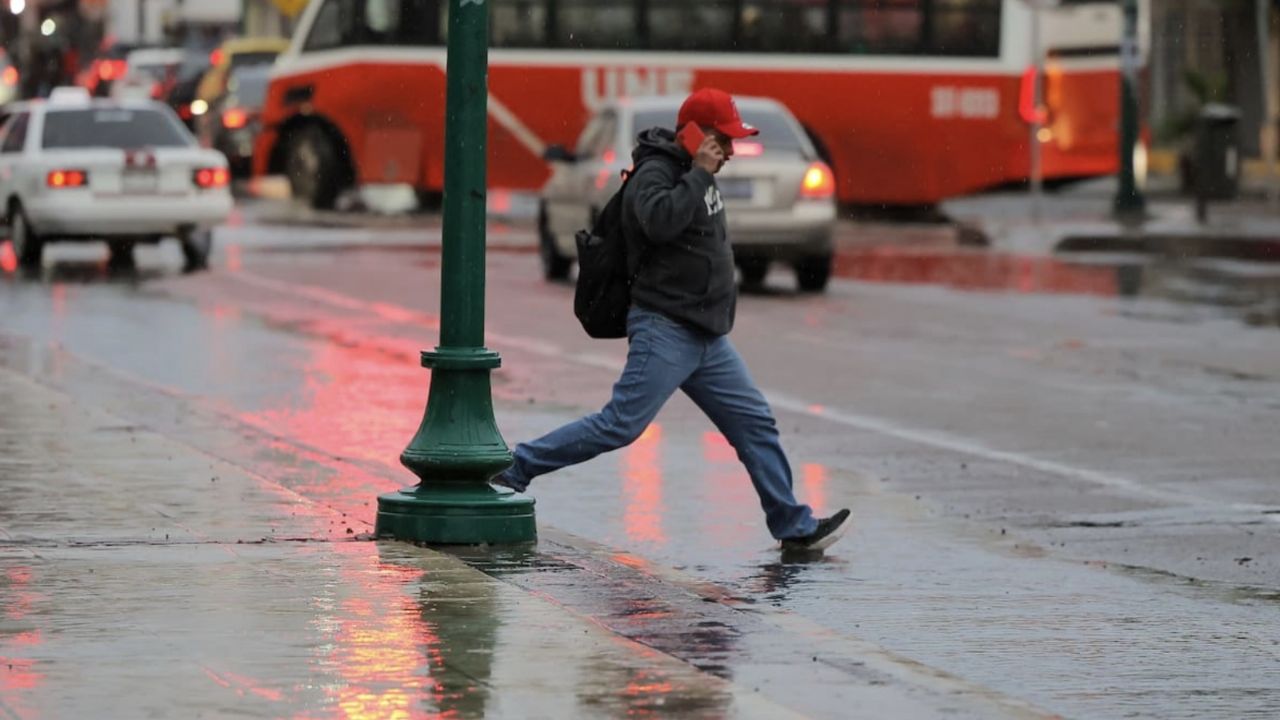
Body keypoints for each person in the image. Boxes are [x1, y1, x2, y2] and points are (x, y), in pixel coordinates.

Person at [495, 88, 850, 552]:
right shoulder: (657, 173)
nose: (732, 151)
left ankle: (794, 525)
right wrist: (700, 173)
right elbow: (659, 222)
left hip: (705, 335)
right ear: (696, 136)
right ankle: (516, 467)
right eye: (724, 140)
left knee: (754, 424)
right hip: (665, 327)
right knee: (620, 425)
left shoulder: (693, 173)